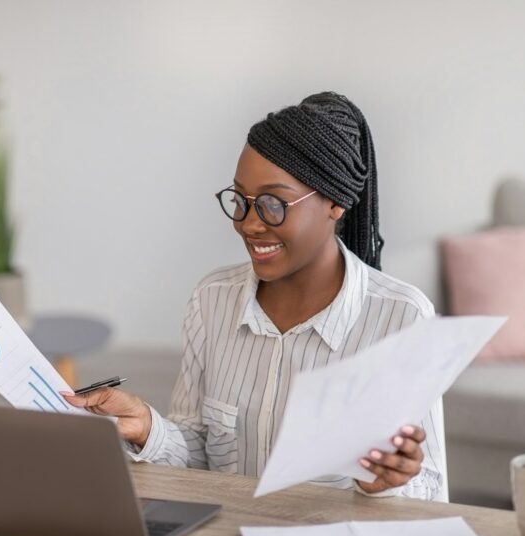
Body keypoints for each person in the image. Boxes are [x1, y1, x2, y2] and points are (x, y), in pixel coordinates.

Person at [62, 92, 445, 500]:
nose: (249, 225)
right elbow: (200, 452)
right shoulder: (212, 300)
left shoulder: (402, 318)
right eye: (241, 201)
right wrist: (147, 427)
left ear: (336, 202)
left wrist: (385, 485)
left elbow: (432, 492)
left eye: (272, 205)